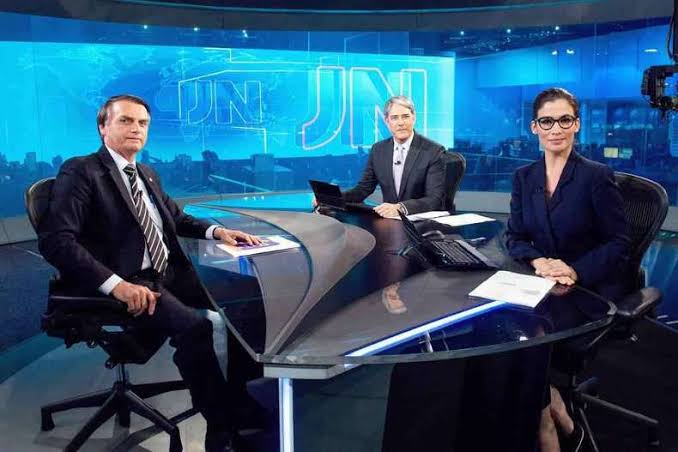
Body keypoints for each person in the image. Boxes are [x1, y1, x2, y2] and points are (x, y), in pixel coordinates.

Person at [39, 94, 262, 452]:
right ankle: (221, 428)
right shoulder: (81, 171)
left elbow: (176, 219)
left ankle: (242, 401)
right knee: (195, 328)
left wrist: (217, 231)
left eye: (142, 123)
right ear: (103, 127)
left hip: (166, 271)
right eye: (125, 121)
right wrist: (117, 286)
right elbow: (57, 242)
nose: (136, 129)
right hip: (124, 279)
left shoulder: (146, 173)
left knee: (243, 302)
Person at [506, 87, 631, 452]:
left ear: (577, 124)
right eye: (547, 121)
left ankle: (547, 423)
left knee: (528, 340)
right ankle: (555, 405)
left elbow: (619, 242)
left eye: (564, 120)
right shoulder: (524, 177)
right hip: (544, 283)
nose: (556, 129)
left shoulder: (596, 176)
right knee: (499, 327)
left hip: (587, 288)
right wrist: (538, 261)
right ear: (534, 127)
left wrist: (574, 270)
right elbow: (515, 236)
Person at [340, 95, 446, 218]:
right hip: (388, 221)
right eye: (394, 118)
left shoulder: (433, 151)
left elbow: (434, 199)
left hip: (420, 223)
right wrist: (333, 198)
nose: (401, 123)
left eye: (405, 116)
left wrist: (400, 208)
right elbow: (363, 189)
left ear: (413, 117)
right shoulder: (378, 150)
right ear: (387, 121)